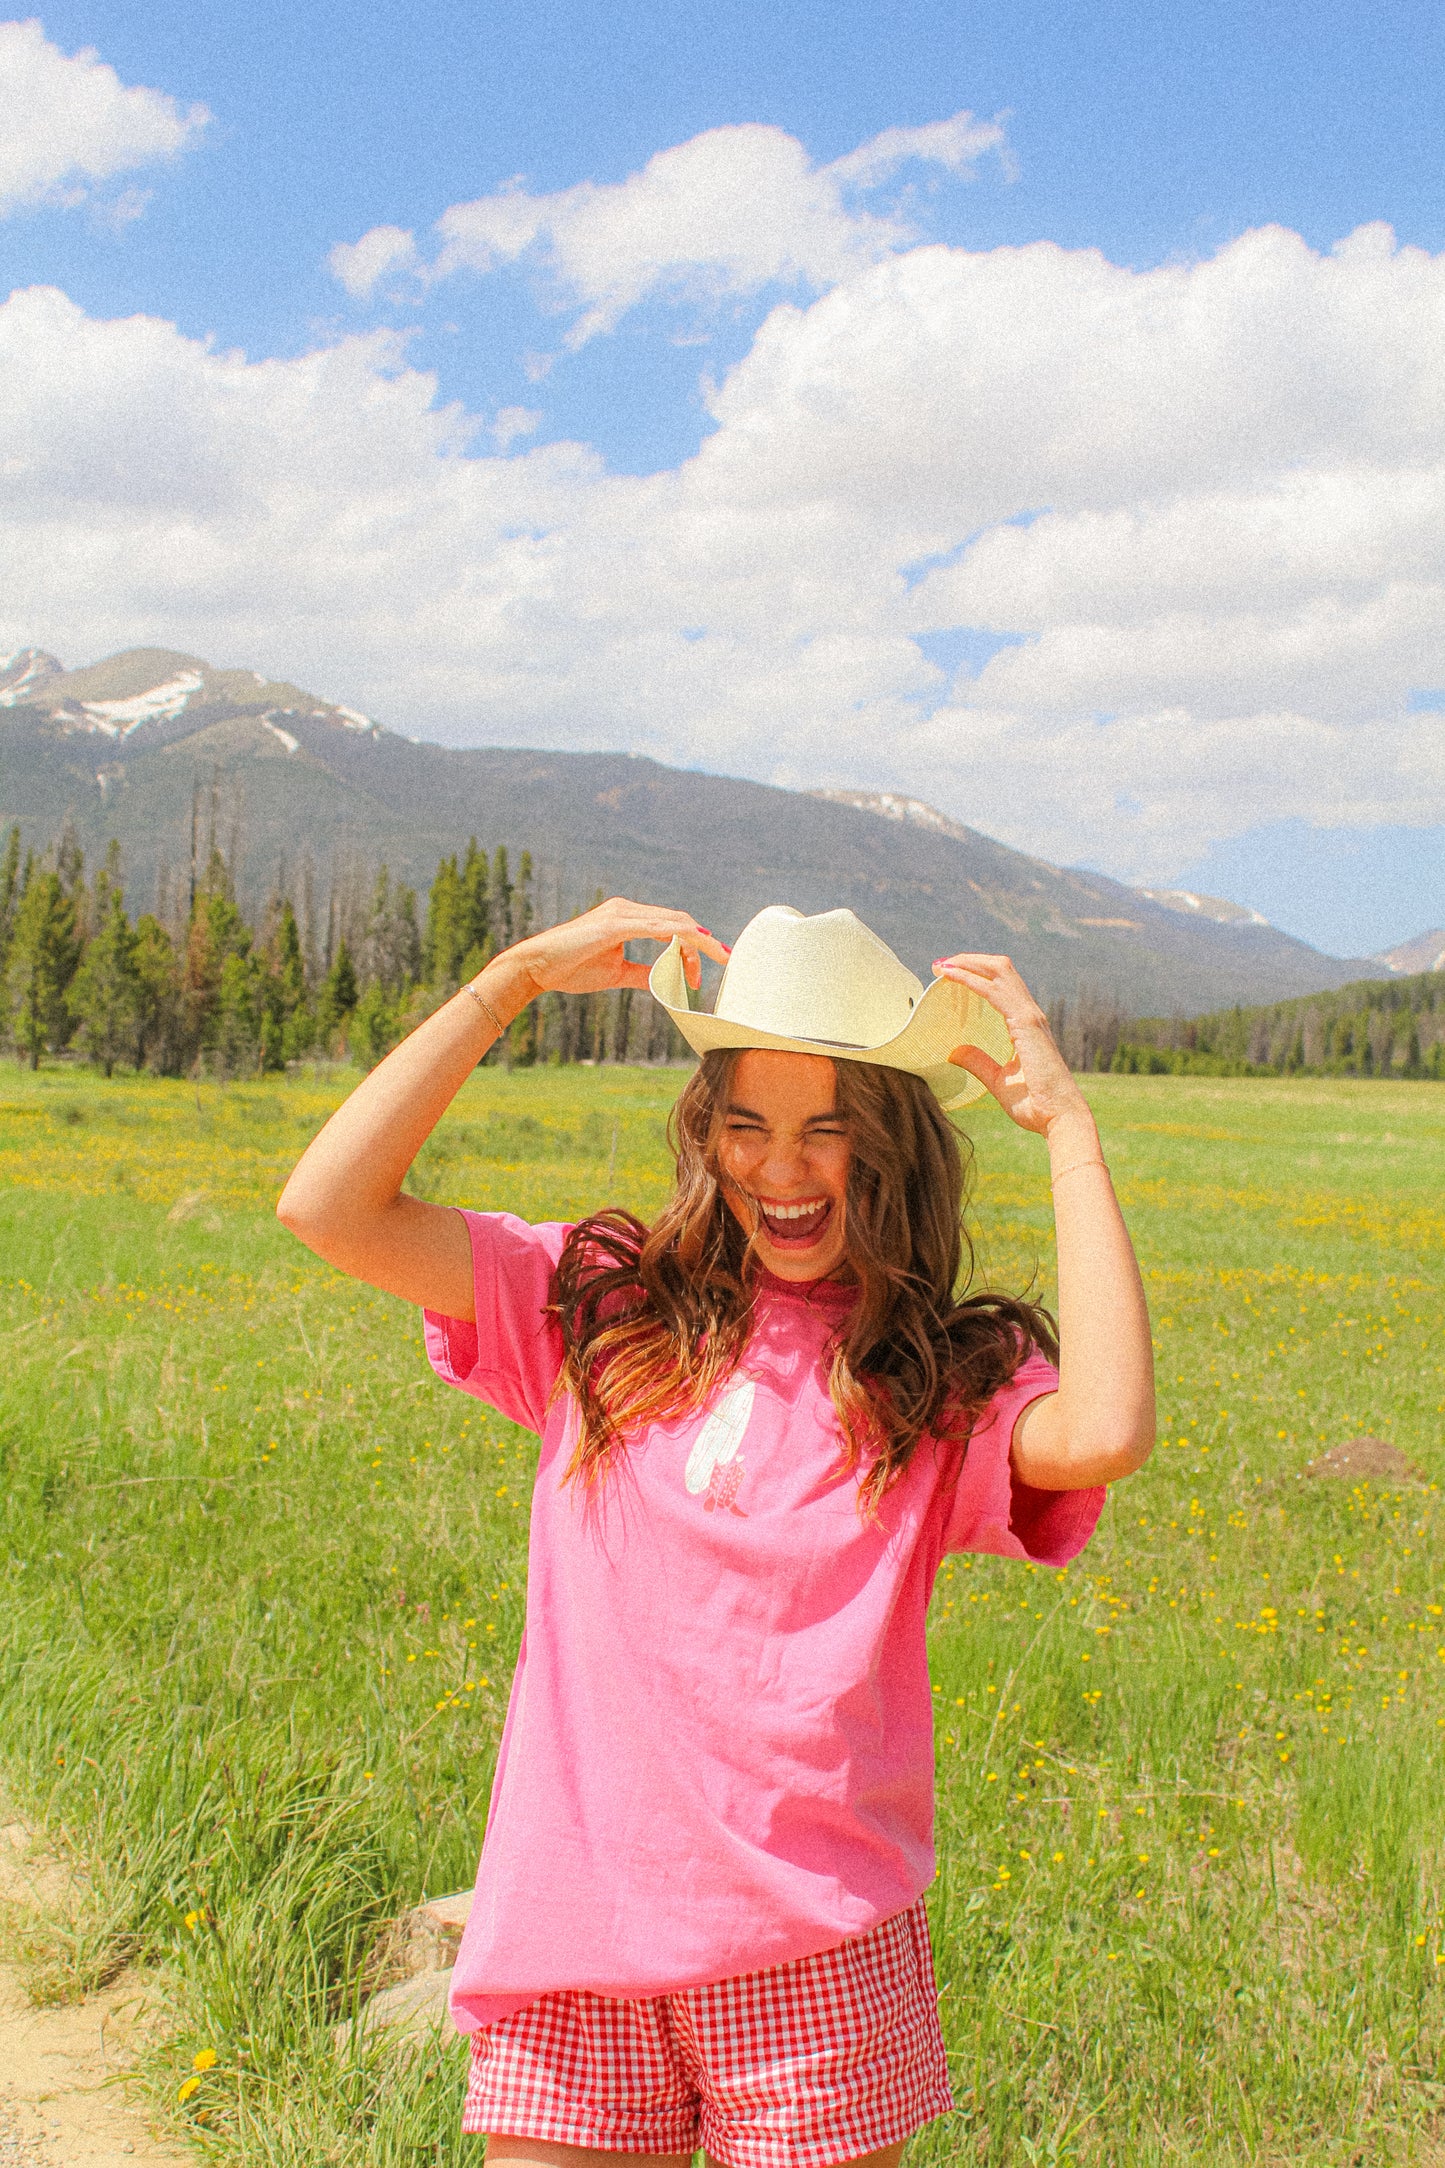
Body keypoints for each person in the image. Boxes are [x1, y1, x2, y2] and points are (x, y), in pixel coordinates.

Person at [278, 897, 1154, 2168]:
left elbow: (1108, 1426)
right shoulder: (599, 1306)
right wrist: (510, 979)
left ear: (895, 1149)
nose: (779, 1168)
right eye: (744, 1123)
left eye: (828, 1131)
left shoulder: (930, 1382)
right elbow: (328, 1206)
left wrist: (1068, 1129)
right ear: (704, 1131)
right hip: (573, 1936)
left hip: (812, 1951)